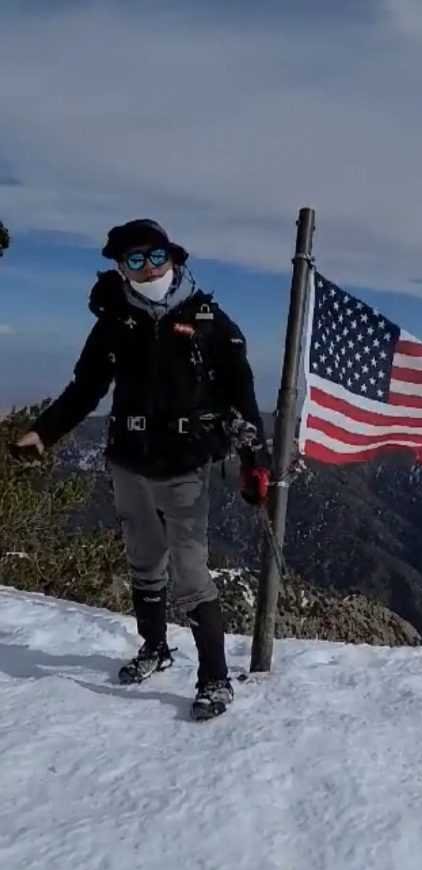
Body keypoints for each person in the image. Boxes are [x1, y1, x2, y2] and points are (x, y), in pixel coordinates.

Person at [16, 218, 270, 720]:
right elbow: (85, 388)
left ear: (175, 258)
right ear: (119, 267)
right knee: (144, 559)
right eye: (135, 260)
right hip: (129, 459)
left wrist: (253, 461)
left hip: (185, 463)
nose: (149, 268)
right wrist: (44, 432)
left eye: (156, 257)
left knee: (191, 570)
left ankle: (215, 679)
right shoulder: (114, 322)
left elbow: (241, 397)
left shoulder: (210, 322)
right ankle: (154, 649)